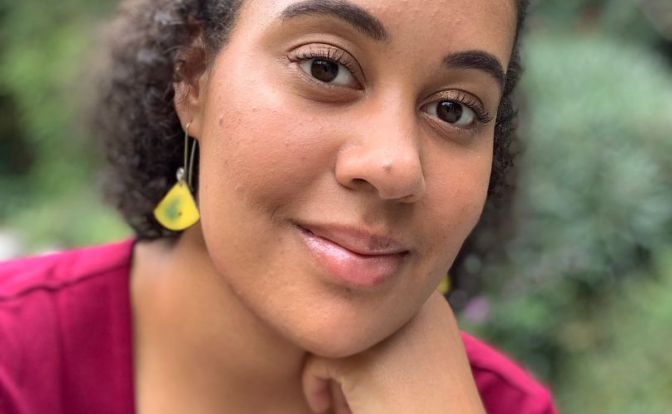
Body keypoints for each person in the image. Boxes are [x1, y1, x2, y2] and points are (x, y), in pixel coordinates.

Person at [0, 0, 558, 412]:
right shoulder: (17, 362)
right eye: (326, 68)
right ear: (193, 76)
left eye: (455, 109)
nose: (396, 166)